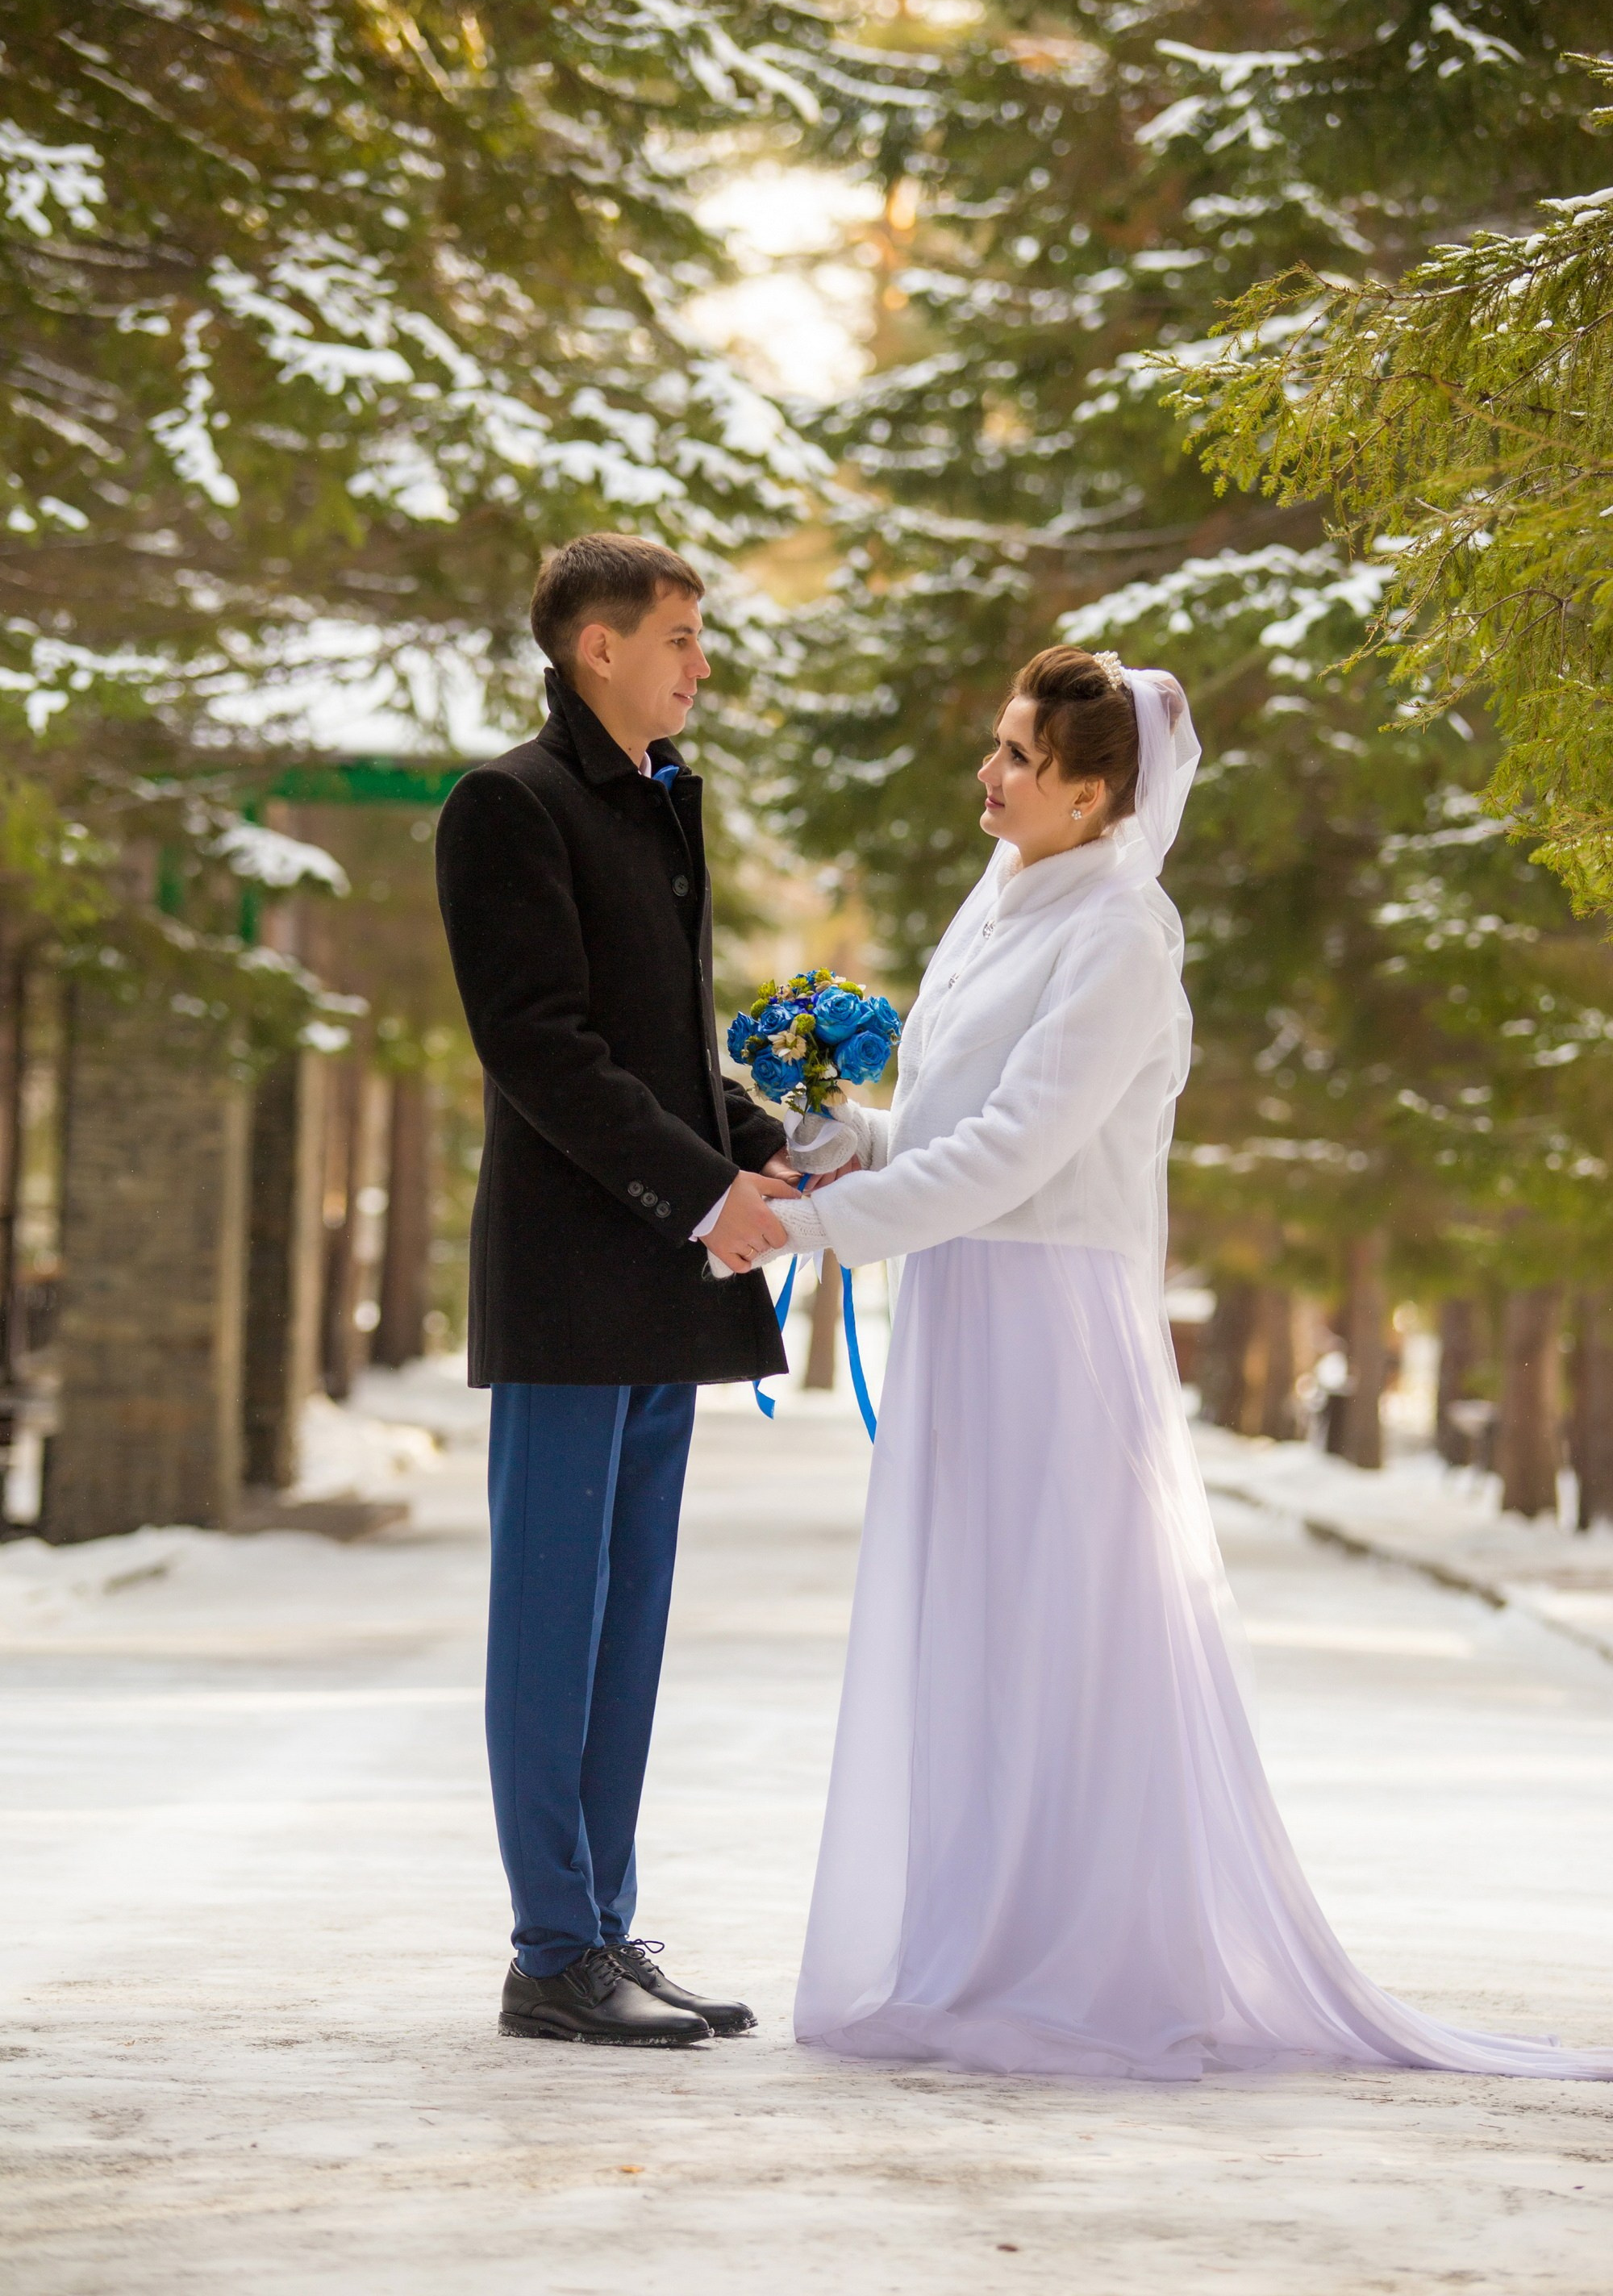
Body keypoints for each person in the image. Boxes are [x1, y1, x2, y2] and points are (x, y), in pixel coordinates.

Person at [756, 644, 1613, 2081]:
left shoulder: (1121, 933)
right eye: (1003, 744)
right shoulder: (1008, 903)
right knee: (976, 1618)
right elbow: (955, 1128)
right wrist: (842, 1147)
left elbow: (1028, 1152)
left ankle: (1086, 1955)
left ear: (1096, 795)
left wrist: (833, 1227)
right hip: (972, 1301)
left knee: (1062, 1621)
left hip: (1049, 1321)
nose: (995, 771)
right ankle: (976, 1932)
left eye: (1023, 758)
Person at [436, 532, 802, 2048]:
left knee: (629, 1618)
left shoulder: (658, 804)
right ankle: (547, 1949)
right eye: (679, 639)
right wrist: (702, 1189)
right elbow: (541, 1048)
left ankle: (601, 1929)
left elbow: (651, 1047)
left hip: (657, 1281)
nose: (698, 664)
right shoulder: (505, 808)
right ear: (598, 649)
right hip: (573, 1281)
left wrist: (764, 1143)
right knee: (552, 1620)